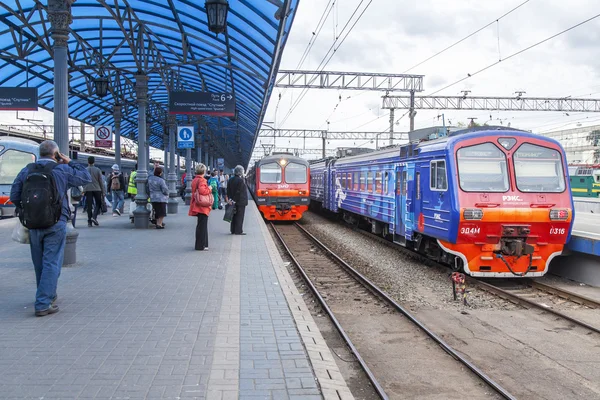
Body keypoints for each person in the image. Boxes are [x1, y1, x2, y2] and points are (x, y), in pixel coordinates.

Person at [10, 140, 91, 316]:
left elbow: (14, 195)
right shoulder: (61, 170)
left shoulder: (27, 170)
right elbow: (85, 177)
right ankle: (43, 303)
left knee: (39, 263)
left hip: (33, 223)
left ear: (39, 154)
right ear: (56, 155)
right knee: (51, 262)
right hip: (56, 222)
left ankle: (47, 295)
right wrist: (69, 162)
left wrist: (29, 211)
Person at [189, 164, 212, 250]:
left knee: (200, 225)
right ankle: (201, 245)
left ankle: (202, 244)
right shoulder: (202, 180)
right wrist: (209, 188)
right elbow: (203, 191)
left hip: (197, 204)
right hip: (202, 205)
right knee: (202, 226)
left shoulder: (195, 179)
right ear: (204, 171)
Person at [226, 165, 248, 235]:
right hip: (240, 202)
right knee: (239, 216)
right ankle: (238, 231)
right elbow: (238, 192)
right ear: (240, 172)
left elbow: (228, 190)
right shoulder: (240, 181)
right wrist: (235, 200)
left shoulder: (230, 180)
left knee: (233, 216)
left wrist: (230, 199)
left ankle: (232, 230)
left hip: (232, 201)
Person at [83, 156, 104, 227]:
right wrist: (103, 191)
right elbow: (101, 181)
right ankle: (94, 217)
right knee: (98, 203)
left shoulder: (85, 170)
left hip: (88, 189)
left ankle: (89, 222)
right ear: (94, 162)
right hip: (97, 189)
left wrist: (83, 190)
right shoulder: (97, 170)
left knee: (89, 206)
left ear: (88, 162)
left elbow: (83, 180)